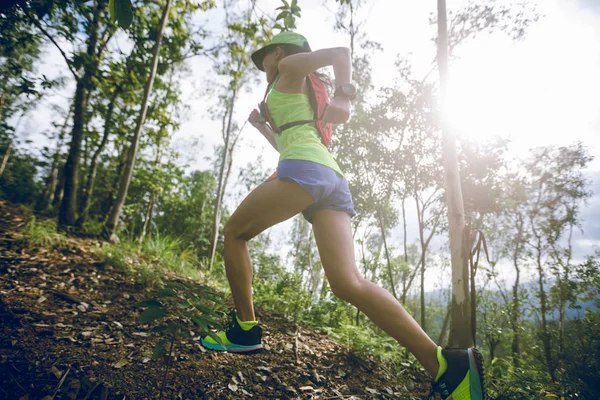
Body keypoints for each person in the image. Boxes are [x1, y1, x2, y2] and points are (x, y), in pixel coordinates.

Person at [201, 31, 484, 400]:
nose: (263, 67)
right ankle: (448, 364)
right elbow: (293, 142)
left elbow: (339, 52)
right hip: (328, 177)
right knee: (348, 282)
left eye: (264, 59)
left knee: (235, 234)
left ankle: (244, 331)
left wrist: (345, 97)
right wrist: (265, 128)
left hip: (307, 172)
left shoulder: (287, 67)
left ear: (279, 52)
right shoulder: (296, 91)